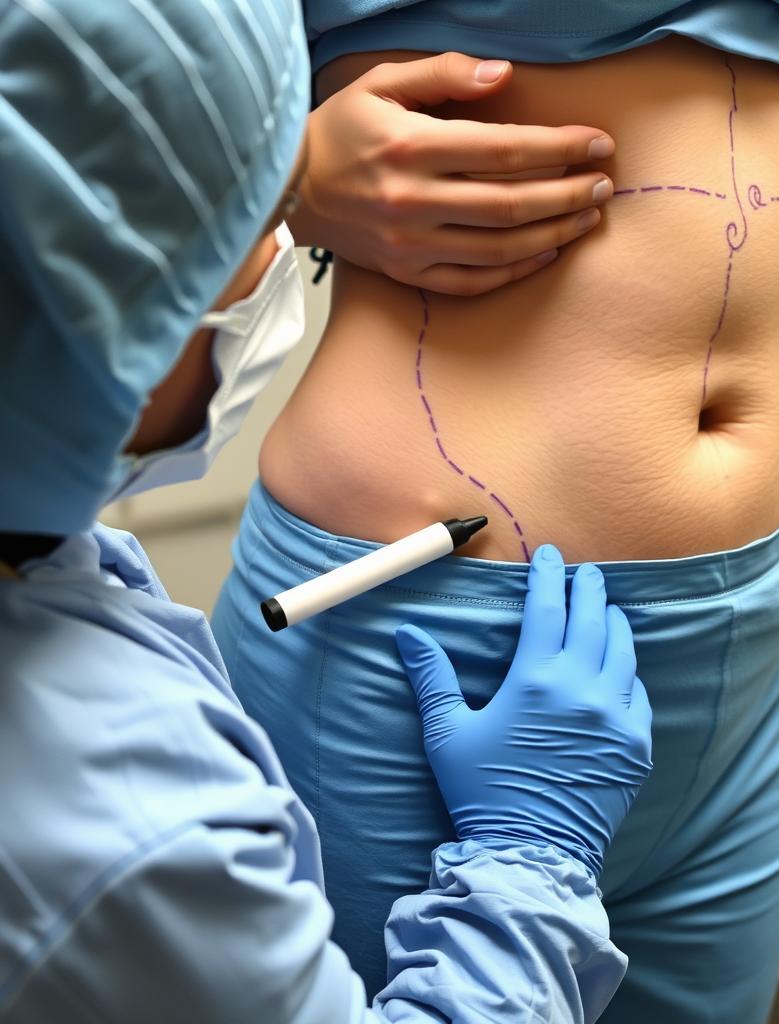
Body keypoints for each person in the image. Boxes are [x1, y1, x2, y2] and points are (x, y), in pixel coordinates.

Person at [213, 2, 779, 1021]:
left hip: (746, 648)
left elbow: (745, 281)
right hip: (424, 644)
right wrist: (283, 181)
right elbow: (80, 129)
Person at [0, 3, 654, 1020]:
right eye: (266, 221)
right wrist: (531, 856)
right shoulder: (126, 842)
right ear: (109, 331)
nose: (285, 252)